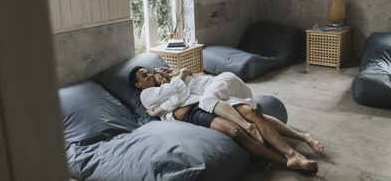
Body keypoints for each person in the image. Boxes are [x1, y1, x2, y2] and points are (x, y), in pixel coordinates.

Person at [129, 66, 323, 173]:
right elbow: (177, 93)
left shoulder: (163, 85)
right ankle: (285, 161)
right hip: (193, 112)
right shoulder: (146, 96)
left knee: (253, 113)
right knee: (235, 131)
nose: (149, 77)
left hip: (201, 101)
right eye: (144, 76)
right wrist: (163, 105)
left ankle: (293, 154)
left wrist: (163, 106)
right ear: (138, 85)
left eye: (148, 74)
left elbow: (177, 95)